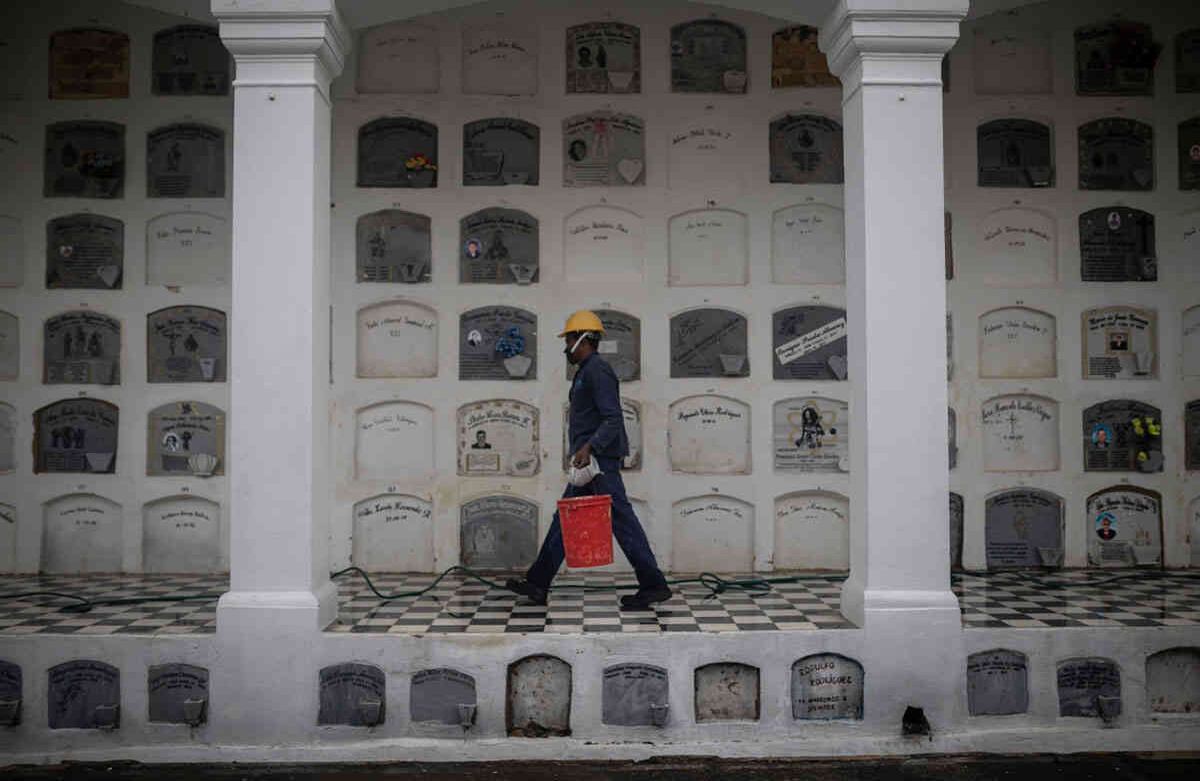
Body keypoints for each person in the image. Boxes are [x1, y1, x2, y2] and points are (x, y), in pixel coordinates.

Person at [507, 310, 672, 611]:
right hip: (590, 463)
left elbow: (612, 418)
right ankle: (538, 582)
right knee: (565, 518)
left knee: (622, 521)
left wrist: (589, 447)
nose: (566, 345)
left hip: (599, 463)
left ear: (583, 339)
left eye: (569, 338)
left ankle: (653, 584)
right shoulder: (586, 370)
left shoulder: (598, 370)